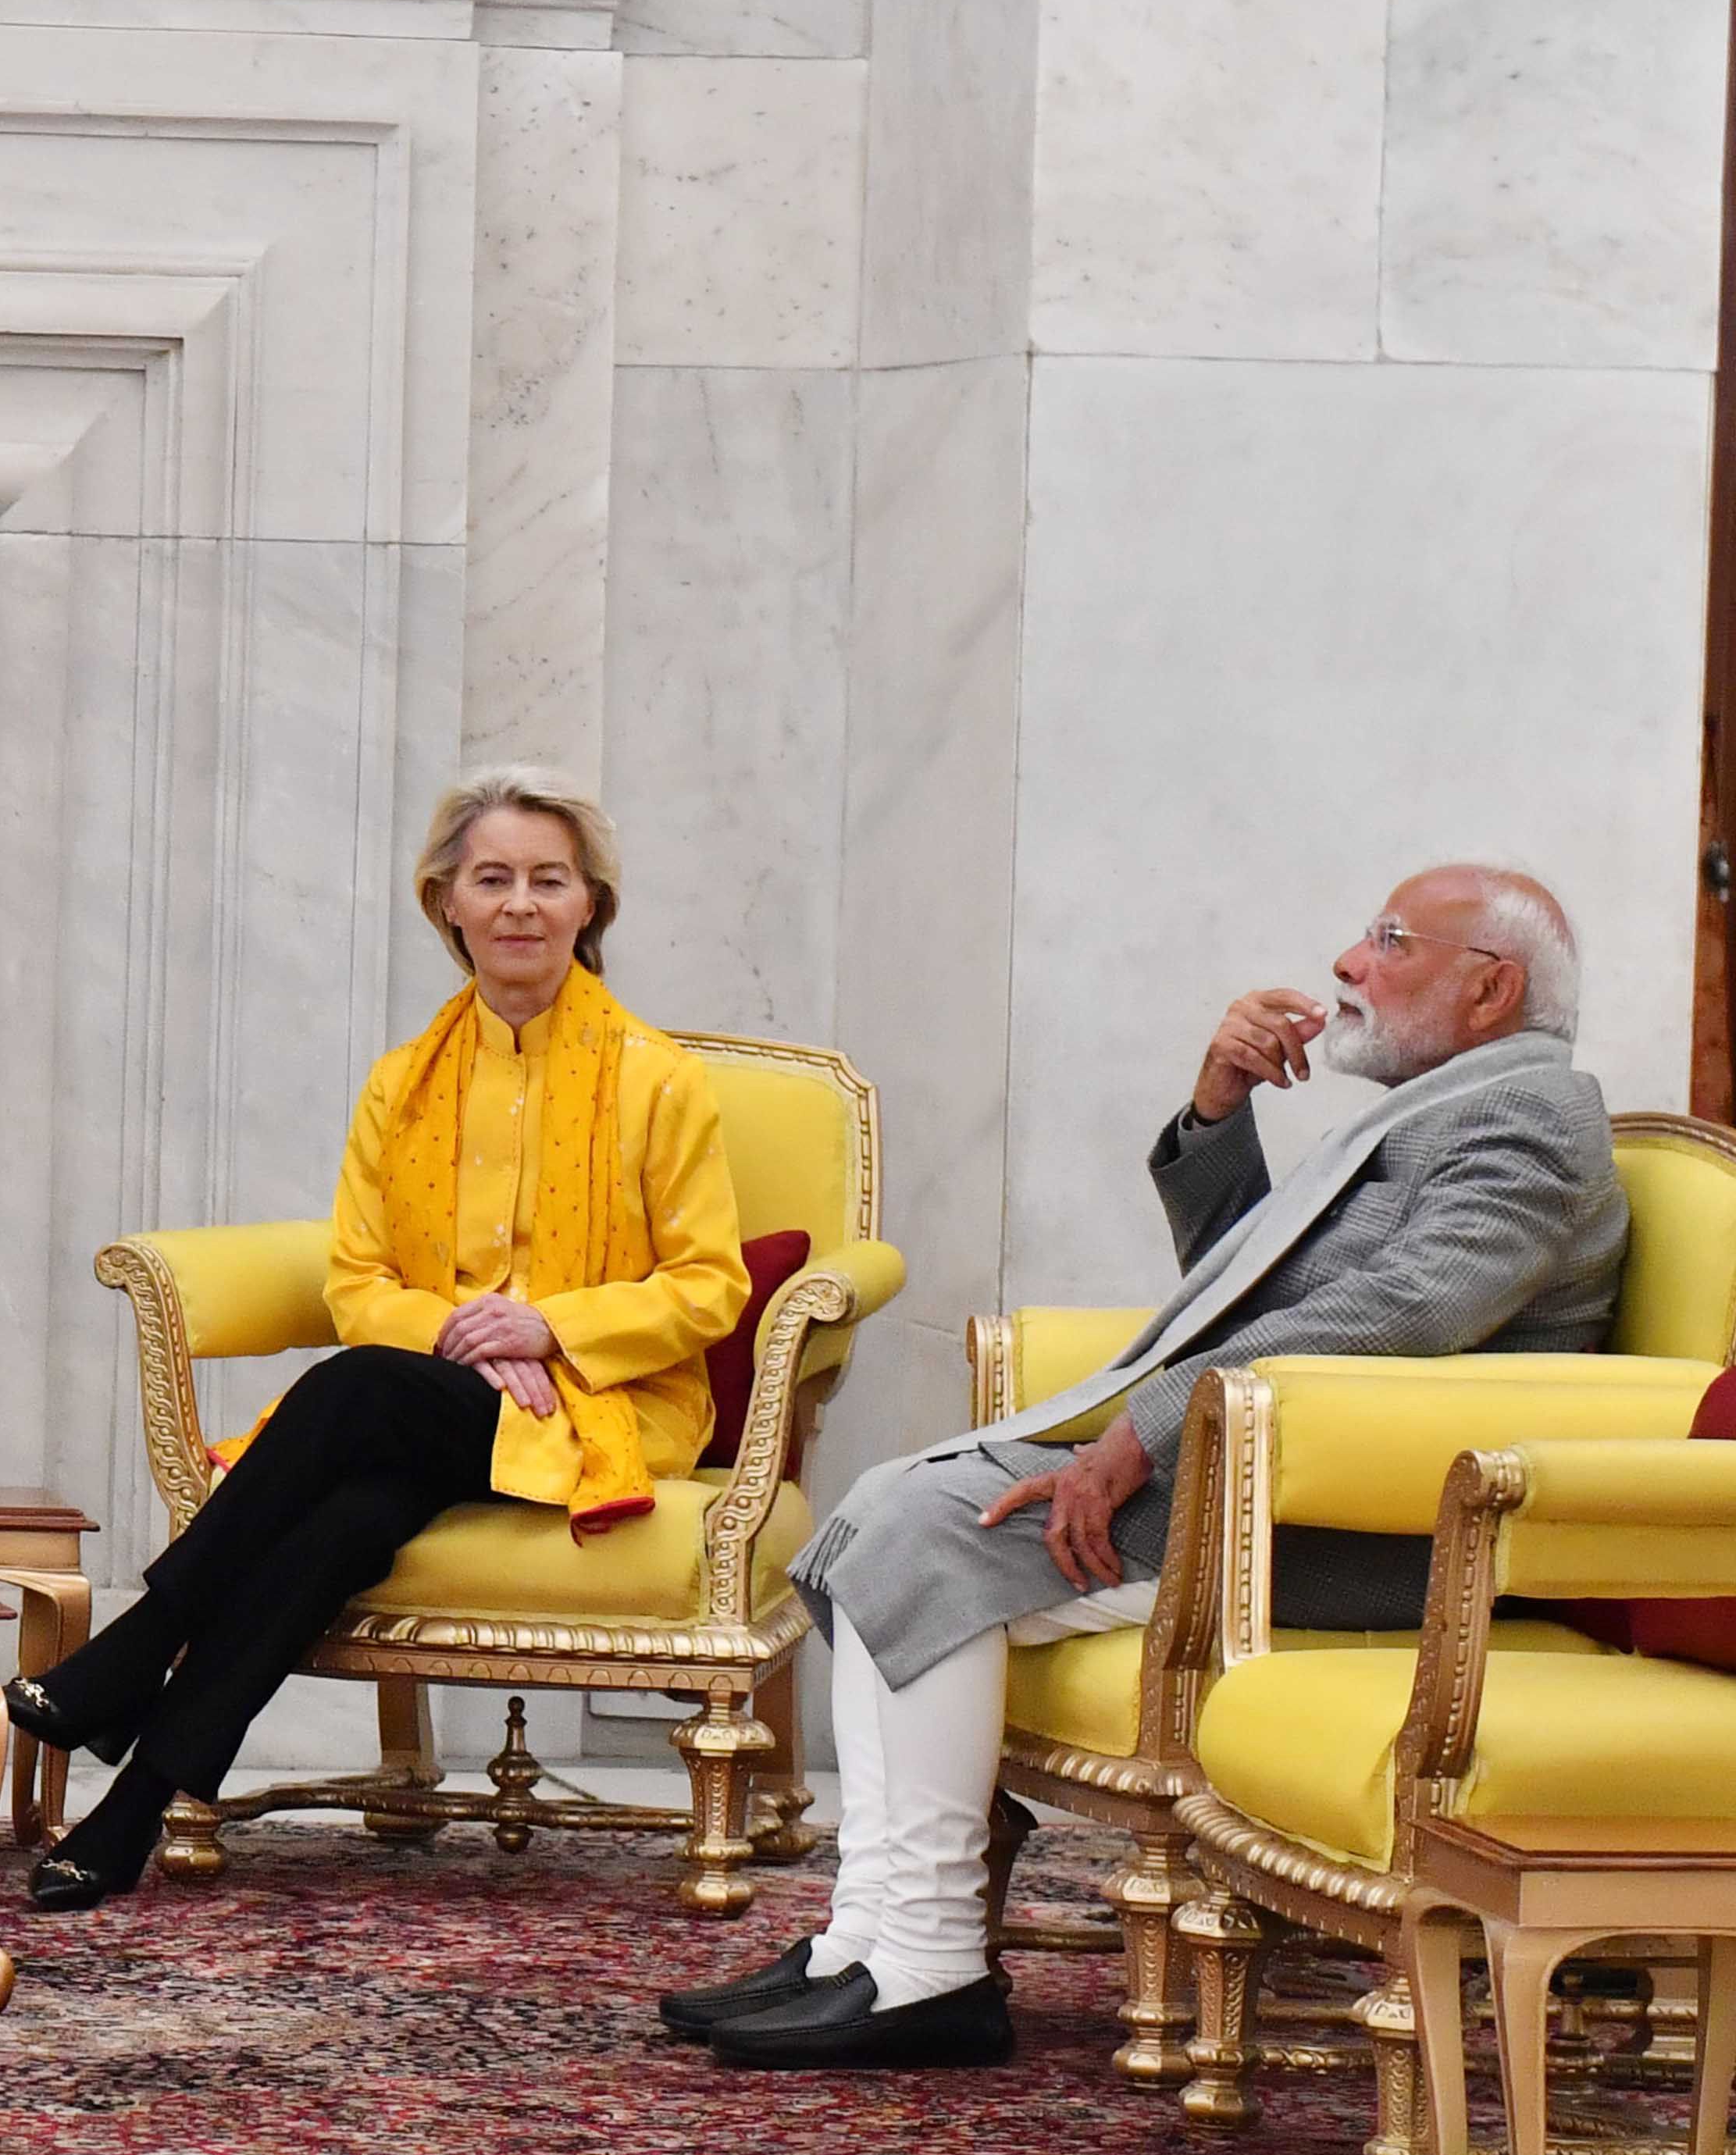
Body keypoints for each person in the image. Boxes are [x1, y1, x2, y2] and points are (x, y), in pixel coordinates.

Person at [666, 864, 1623, 2072]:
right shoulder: (1445, 1110)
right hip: (1261, 1474)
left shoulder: (1528, 1126)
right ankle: (867, 1939)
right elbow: (1246, 1292)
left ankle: (930, 1964)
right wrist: (1219, 1113)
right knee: (880, 1509)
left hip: (1365, 1528)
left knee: (931, 1529)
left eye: (1390, 940)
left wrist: (1145, 1429)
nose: (1348, 964)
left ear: (1491, 989)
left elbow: (1406, 1316)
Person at [5, 768, 750, 1911]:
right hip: (439, 1403)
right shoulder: (402, 1085)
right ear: (445, 901)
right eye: (491, 878)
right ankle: (131, 1814)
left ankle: (138, 1645)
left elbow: (710, 1288)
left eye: (549, 880)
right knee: (343, 1524)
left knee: (357, 1390)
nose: (519, 904)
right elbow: (358, 1283)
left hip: (604, 1409)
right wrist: (473, 1335)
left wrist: (549, 1326)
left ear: (590, 904)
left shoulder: (660, 1082)